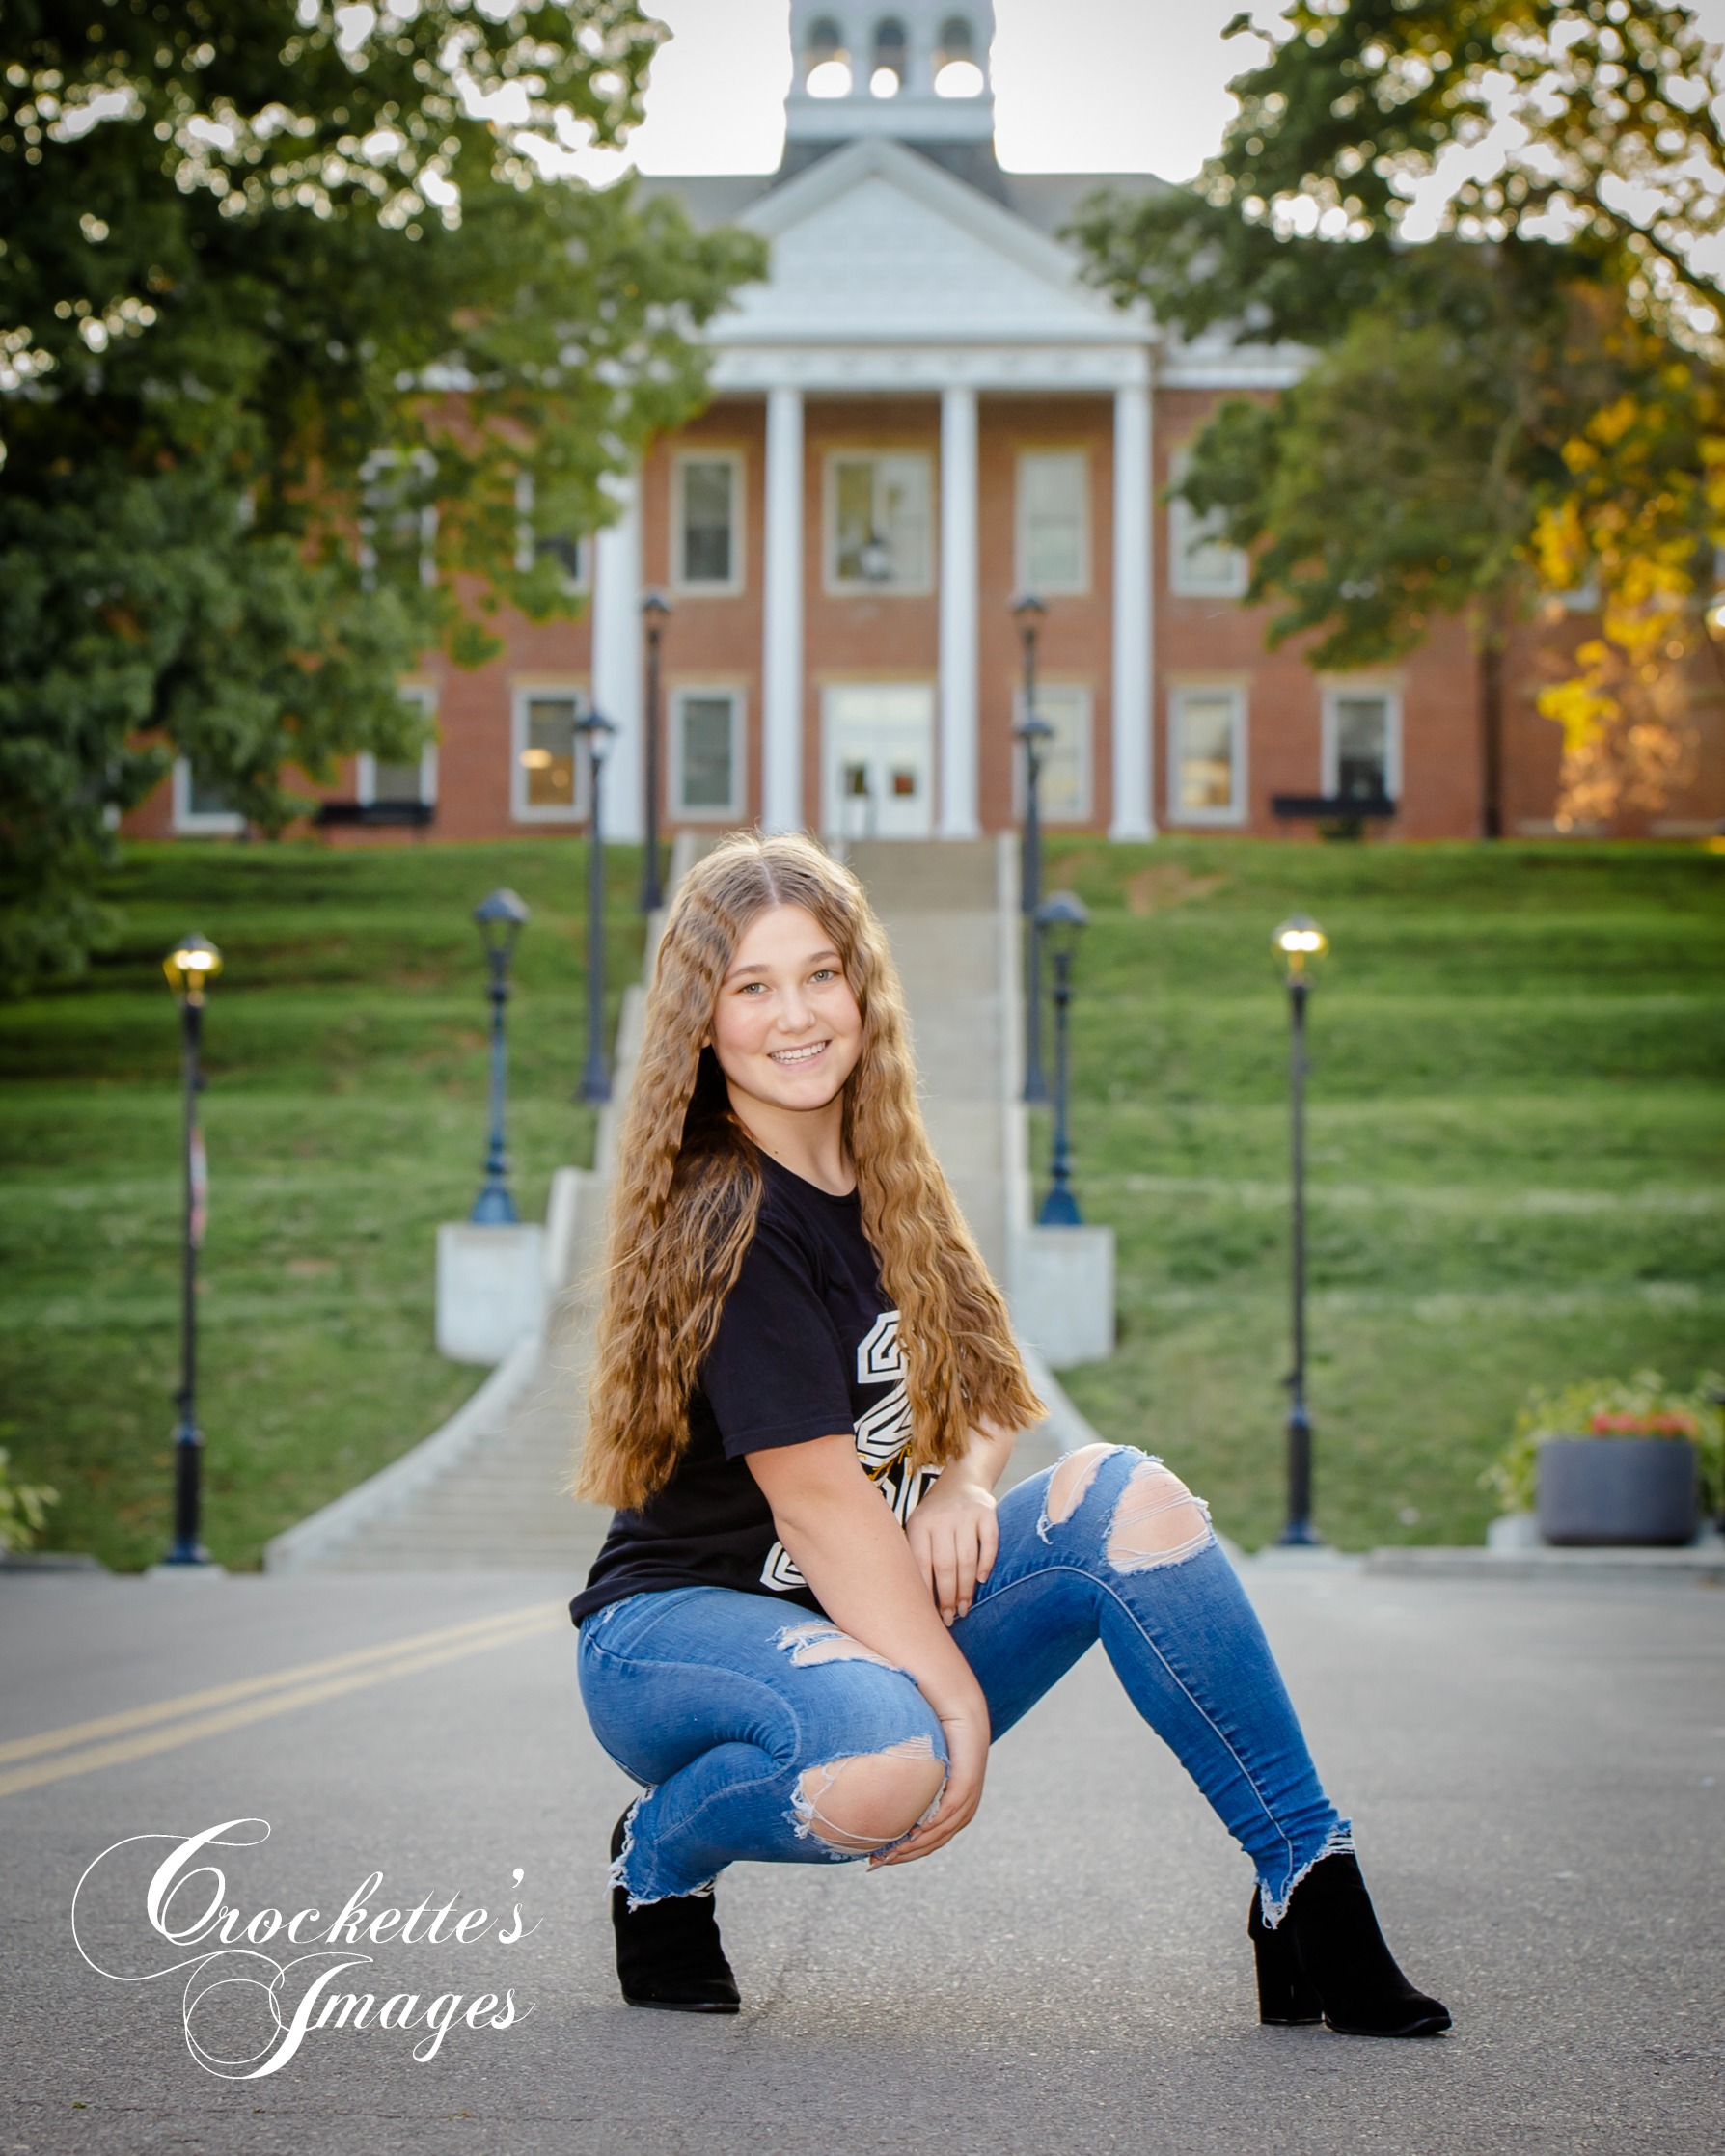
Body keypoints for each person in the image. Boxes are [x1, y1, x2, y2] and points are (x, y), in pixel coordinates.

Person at [570, 832, 1449, 2037]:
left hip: (857, 1616)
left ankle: (1307, 1879)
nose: (797, 1015)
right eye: (752, 986)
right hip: (673, 1635)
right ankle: (658, 1858)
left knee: (1129, 1500)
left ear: (863, 987)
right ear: (701, 1020)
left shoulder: (886, 1173)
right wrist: (960, 1712)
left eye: (820, 974)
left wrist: (965, 1490)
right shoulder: (731, 1214)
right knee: (889, 1763)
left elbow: (990, 1381)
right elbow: (818, 1505)